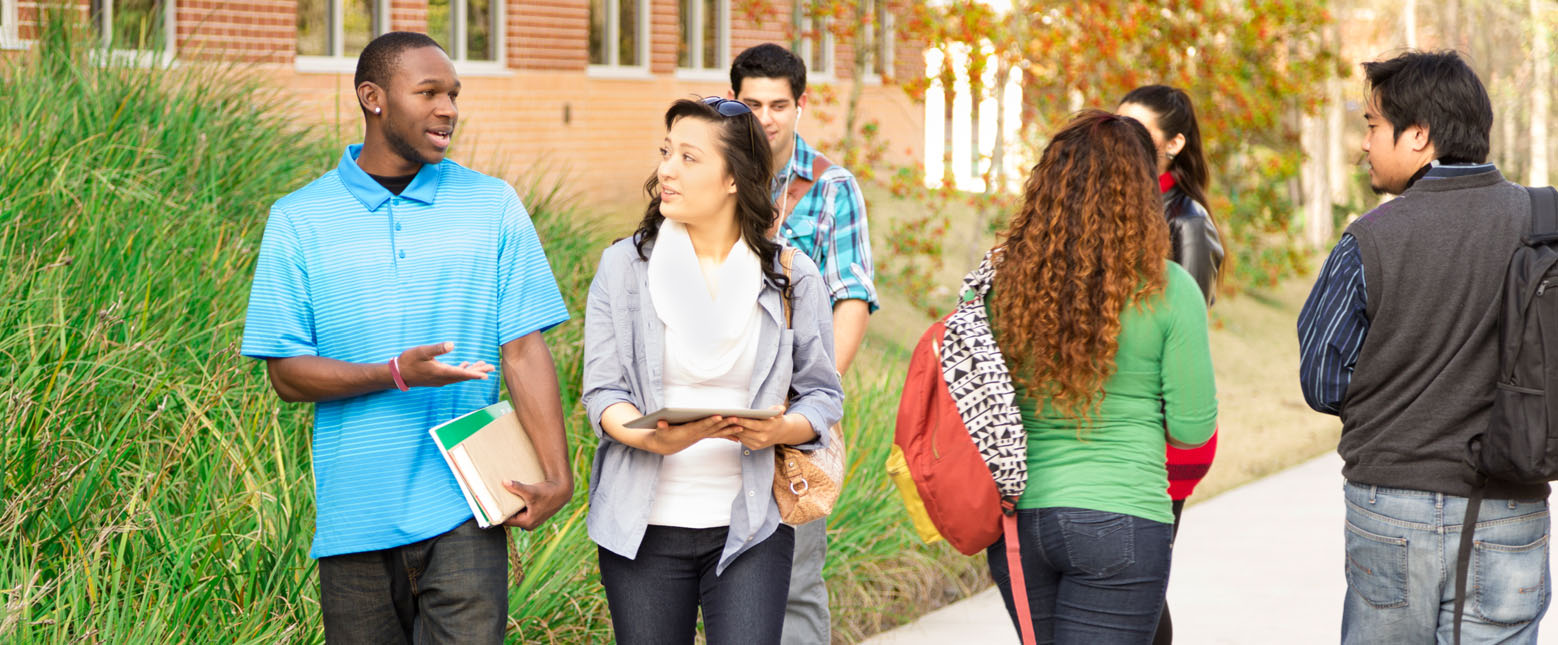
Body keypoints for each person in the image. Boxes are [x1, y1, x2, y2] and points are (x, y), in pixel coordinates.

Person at [239, 32, 574, 643]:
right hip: (354, 517)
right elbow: (287, 374)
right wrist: (394, 373)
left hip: (469, 504)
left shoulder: (493, 205)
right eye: (428, 93)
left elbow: (523, 348)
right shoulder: (299, 218)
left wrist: (558, 473)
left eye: (453, 94)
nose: (448, 108)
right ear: (373, 98)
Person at [1297, 50, 1551, 643]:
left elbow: (1322, 380)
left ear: (1418, 136)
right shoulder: (1541, 224)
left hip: (1391, 505)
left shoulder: (1370, 238)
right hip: (1510, 506)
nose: (1364, 144)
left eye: (1371, 126)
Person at [580, 96, 845, 645]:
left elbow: (822, 396)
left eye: (689, 158)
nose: (666, 170)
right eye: (666, 152)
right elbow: (602, 392)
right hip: (642, 528)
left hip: (750, 527)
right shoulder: (623, 268)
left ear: (734, 179)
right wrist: (647, 437)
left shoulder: (792, 277)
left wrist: (780, 430)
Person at [981, 110, 1217, 642]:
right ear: (1138, 191)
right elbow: (1192, 429)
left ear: (1048, 186)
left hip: (1022, 523)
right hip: (1124, 518)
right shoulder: (1171, 291)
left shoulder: (1002, 287)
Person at [730, 42, 878, 644]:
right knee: (720, 578)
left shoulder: (830, 188)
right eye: (751, 104)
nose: (764, 118)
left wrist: (812, 404)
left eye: (778, 105)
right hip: (711, 409)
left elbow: (852, 298)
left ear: (801, 106)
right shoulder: (707, 170)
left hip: (792, 416)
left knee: (793, 584)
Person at [1117, 84, 1224, 645]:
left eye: (1139, 132)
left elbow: (1183, 341)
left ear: (1175, 144)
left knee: (1140, 587)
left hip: (1157, 436)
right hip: (1107, 430)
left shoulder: (1184, 220)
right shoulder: (1111, 212)